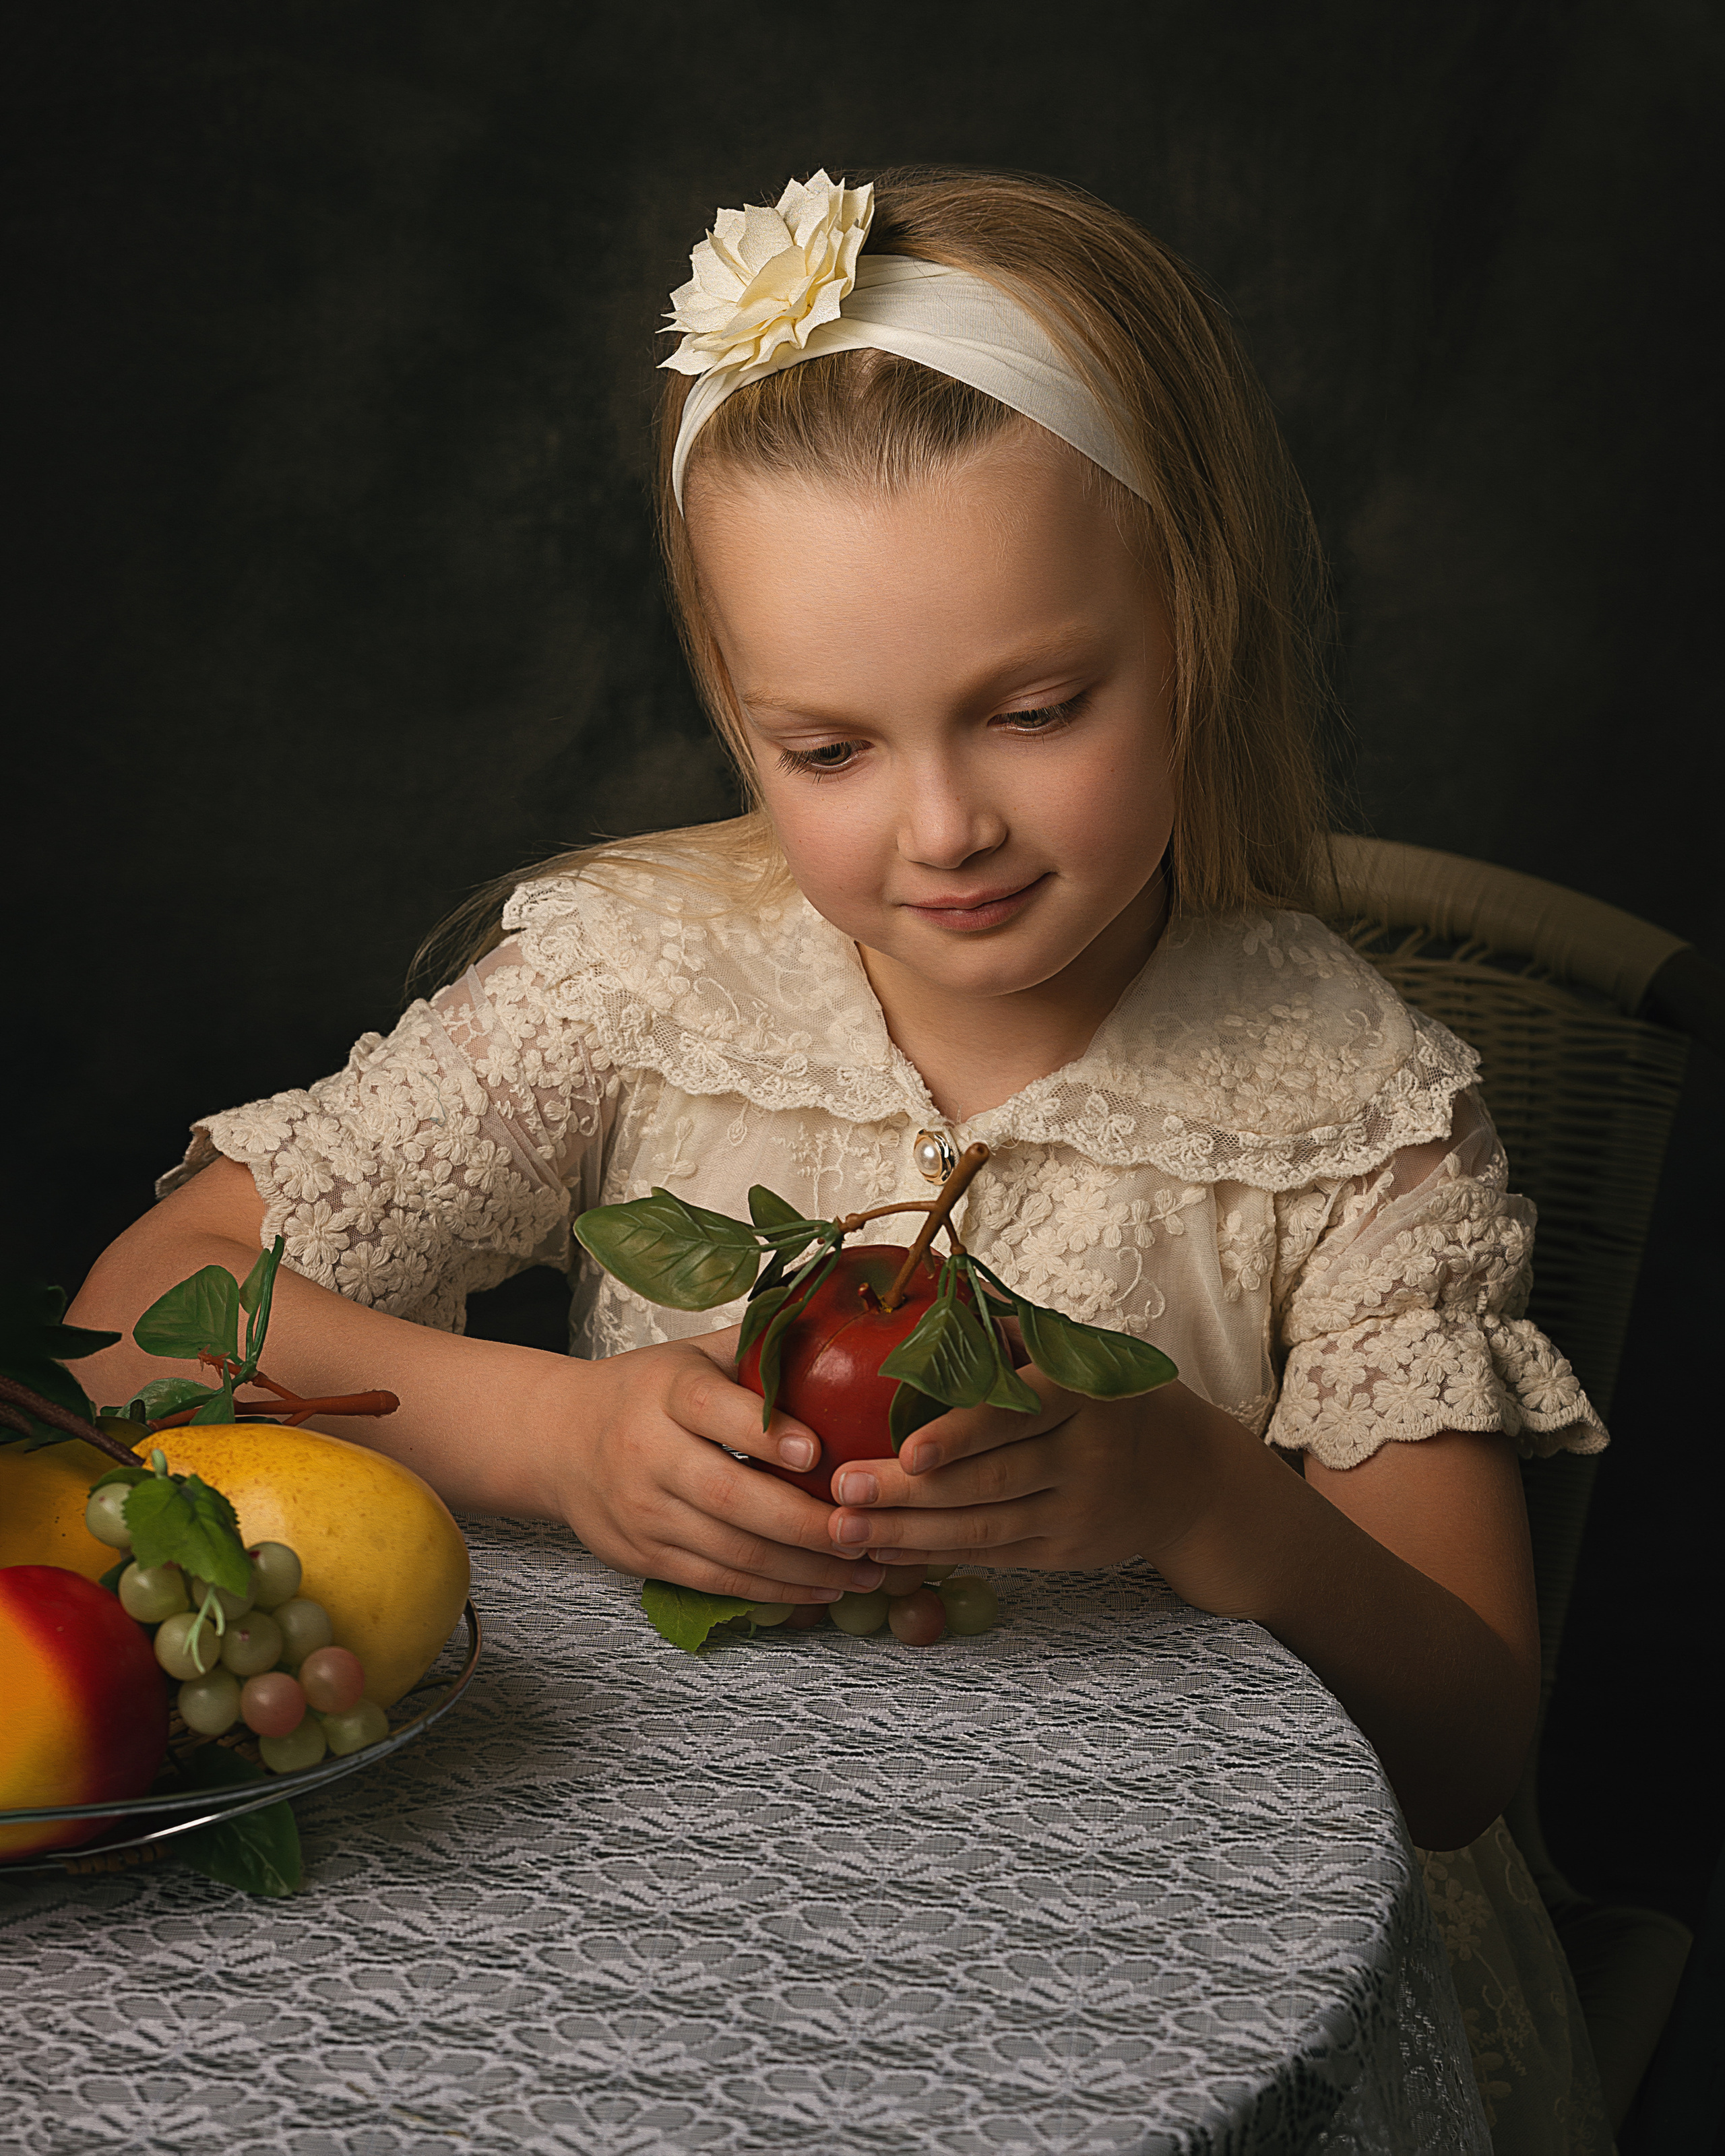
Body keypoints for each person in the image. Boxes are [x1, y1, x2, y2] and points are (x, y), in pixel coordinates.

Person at [70, 167, 1613, 2151]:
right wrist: (550, 1434)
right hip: (678, 1898)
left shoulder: (1353, 1114)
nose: (944, 825)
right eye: (827, 750)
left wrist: (1196, 1486)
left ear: (1197, 623)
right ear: (737, 714)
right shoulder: (637, 989)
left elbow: (1463, 1752)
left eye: (1035, 710)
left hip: (1154, 1955)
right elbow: (133, 1323)